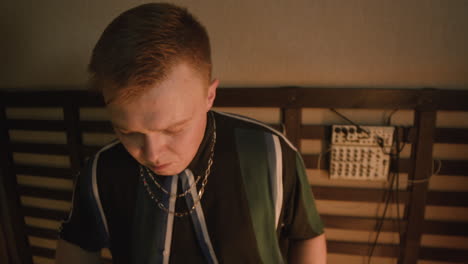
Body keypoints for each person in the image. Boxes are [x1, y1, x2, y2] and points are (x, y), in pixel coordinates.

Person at [55, 3, 326, 264]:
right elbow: (75, 248)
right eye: (127, 132)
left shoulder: (271, 154)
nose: (152, 153)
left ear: (209, 96)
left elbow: (307, 235)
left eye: (174, 129)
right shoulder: (100, 173)